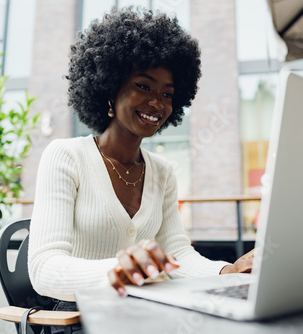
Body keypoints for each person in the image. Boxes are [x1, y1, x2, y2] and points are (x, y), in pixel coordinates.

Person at [28, 6, 254, 333]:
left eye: (167, 94)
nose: (158, 104)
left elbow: (177, 255)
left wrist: (227, 272)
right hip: (81, 316)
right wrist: (116, 271)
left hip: (148, 310)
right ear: (110, 85)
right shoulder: (65, 156)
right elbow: (44, 268)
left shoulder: (162, 172)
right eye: (144, 86)